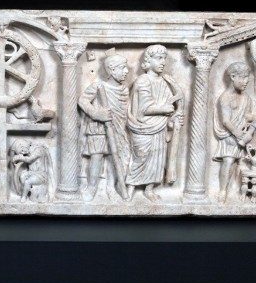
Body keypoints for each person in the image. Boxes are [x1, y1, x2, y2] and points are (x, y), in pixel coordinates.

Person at [126, 45, 183, 202]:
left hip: (160, 127)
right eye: (159, 58)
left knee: (157, 158)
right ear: (148, 61)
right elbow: (143, 109)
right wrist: (164, 109)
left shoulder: (164, 82)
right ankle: (130, 187)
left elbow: (171, 104)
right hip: (142, 126)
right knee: (140, 157)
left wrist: (173, 118)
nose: (163, 62)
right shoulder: (143, 81)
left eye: (164, 59)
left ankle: (149, 189)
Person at [78, 49, 131, 200]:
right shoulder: (98, 86)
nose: (126, 71)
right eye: (123, 68)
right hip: (99, 127)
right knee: (97, 157)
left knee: (116, 157)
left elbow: (125, 111)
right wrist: (95, 113)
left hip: (118, 127)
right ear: (112, 70)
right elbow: (82, 100)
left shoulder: (124, 90)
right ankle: (92, 187)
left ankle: (111, 188)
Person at [213, 62, 256, 202]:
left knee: (246, 161)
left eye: (247, 78)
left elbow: (247, 116)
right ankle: (223, 191)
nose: (246, 81)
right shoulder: (225, 97)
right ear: (233, 77)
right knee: (228, 160)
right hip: (229, 135)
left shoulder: (246, 98)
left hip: (243, 134)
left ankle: (242, 191)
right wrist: (238, 134)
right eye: (243, 77)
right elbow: (226, 121)